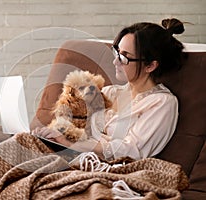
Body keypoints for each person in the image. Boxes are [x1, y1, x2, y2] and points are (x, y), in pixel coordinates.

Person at [33, 18, 185, 161]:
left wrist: (70, 144)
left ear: (150, 65)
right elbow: (78, 126)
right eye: (117, 52)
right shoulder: (109, 92)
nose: (115, 61)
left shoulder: (162, 103)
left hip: (108, 168)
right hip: (74, 157)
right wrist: (54, 136)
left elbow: (130, 151)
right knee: (21, 141)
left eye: (125, 57)